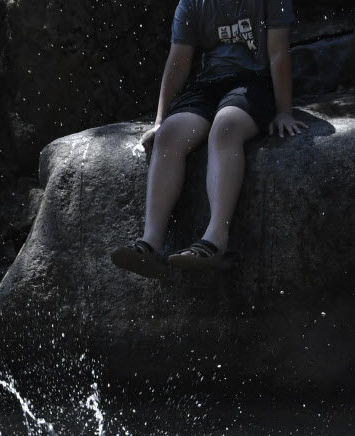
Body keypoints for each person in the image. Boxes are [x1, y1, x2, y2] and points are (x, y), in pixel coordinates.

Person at [111, 0, 306, 278]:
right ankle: (151, 243)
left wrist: (284, 110)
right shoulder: (191, 4)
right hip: (210, 83)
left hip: (254, 82)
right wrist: (159, 121)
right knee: (169, 135)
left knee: (225, 127)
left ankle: (216, 240)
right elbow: (178, 62)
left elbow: (277, 53)